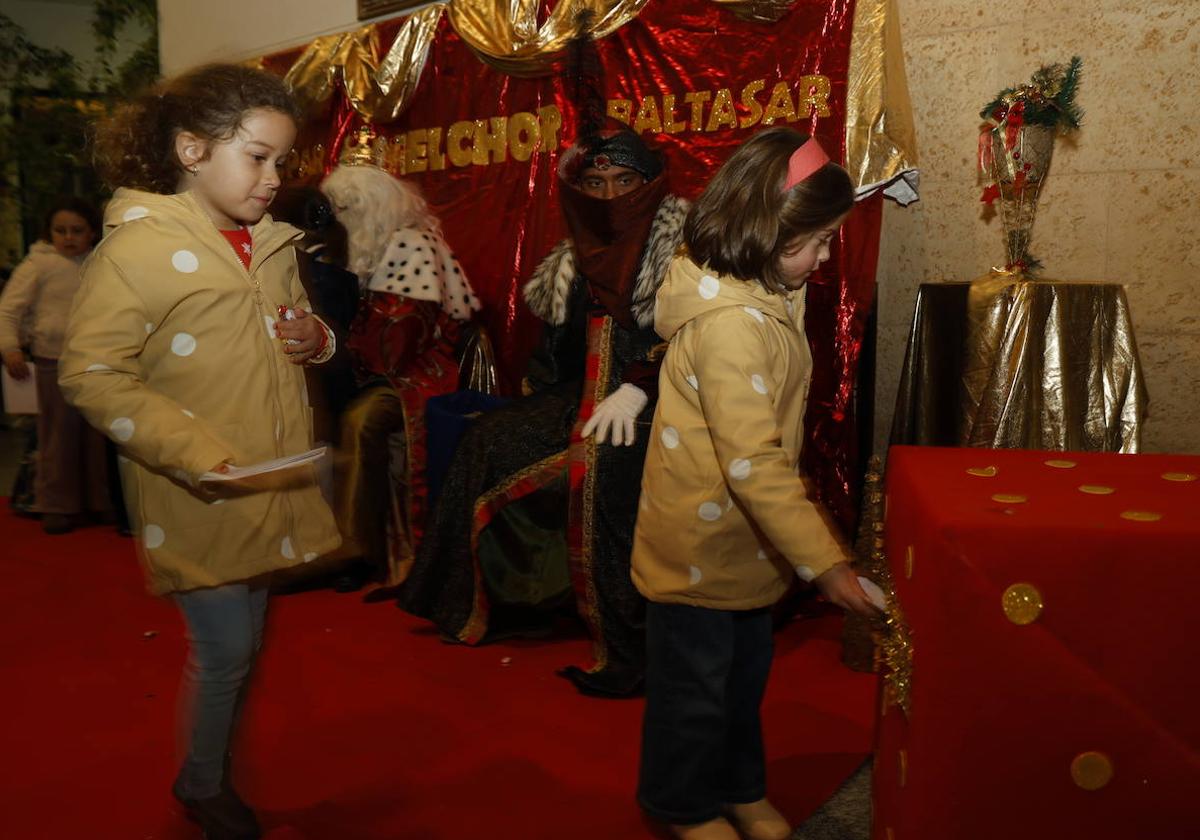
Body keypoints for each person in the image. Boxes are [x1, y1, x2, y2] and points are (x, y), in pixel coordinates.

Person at [58, 64, 340, 839]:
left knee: (245, 641)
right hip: (196, 488)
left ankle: (207, 768)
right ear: (191, 151)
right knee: (226, 648)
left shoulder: (271, 243)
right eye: (257, 157)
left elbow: (296, 328)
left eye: (282, 161)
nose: (274, 178)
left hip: (265, 482)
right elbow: (91, 373)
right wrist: (192, 453)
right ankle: (202, 782)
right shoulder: (136, 253)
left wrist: (315, 338)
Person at [630, 127, 881, 840]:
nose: (825, 257)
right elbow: (752, 461)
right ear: (765, 230)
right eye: (818, 242)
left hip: (745, 546)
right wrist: (826, 563)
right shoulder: (732, 326)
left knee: (741, 685)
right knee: (694, 695)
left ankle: (739, 788)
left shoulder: (767, 288)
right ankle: (681, 805)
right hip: (697, 551)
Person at [400, 129, 688, 697]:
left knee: (605, 472)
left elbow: (698, 340)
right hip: (581, 399)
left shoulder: (684, 250)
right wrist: (541, 398)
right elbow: (555, 355)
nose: (610, 194)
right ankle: (511, 599)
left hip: (662, 403)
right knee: (486, 439)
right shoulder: (574, 255)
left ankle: (629, 652)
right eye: (596, 183)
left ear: (650, 183)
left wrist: (638, 388)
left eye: (624, 180)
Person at [320, 156, 480, 590]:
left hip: (418, 376)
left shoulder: (413, 247)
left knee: (362, 421)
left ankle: (356, 551)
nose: (340, 220)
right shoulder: (361, 250)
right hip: (370, 371)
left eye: (347, 209)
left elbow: (396, 344)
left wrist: (343, 344)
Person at [0, 197, 112, 533]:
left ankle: (98, 502)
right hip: (52, 360)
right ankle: (56, 504)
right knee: (57, 437)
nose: (68, 237)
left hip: (97, 361)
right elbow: (8, 310)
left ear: (92, 232)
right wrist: (10, 348)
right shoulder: (38, 265)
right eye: (60, 230)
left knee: (97, 437)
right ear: (48, 233)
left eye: (77, 230)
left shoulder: (101, 262)